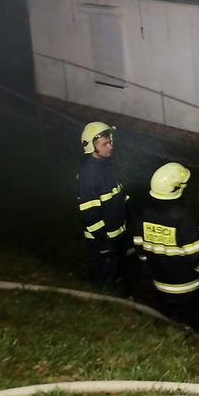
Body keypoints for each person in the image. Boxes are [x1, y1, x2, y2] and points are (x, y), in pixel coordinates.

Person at [133, 162, 199, 329]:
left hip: (160, 284)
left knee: (169, 322)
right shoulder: (183, 219)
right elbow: (196, 257)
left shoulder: (145, 214)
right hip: (187, 287)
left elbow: (140, 251)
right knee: (191, 326)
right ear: (178, 189)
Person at [76, 121, 131, 294]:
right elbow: (88, 213)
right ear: (92, 147)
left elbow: (121, 197)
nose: (110, 146)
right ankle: (101, 306)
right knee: (104, 278)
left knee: (120, 274)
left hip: (117, 235)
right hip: (102, 240)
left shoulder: (107, 166)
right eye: (105, 144)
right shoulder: (89, 176)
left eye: (110, 141)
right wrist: (102, 242)